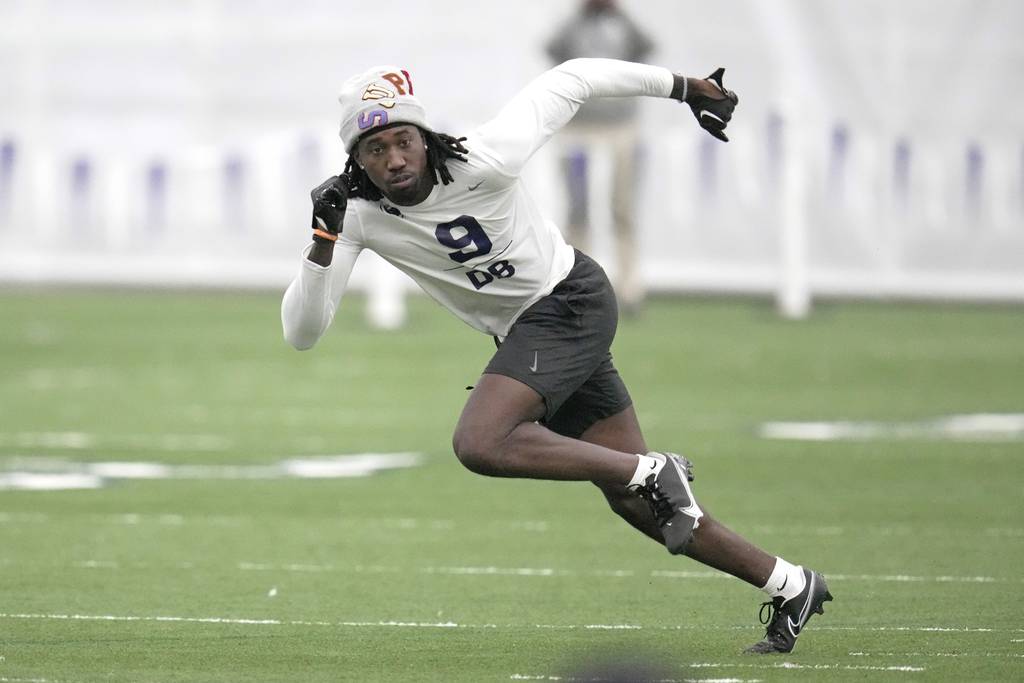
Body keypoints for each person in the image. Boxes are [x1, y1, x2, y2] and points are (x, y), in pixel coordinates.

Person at [281, 58, 832, 654]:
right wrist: (322, 242)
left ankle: (653, 469)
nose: (394, 159)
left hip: (569, 301)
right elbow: (302, 333)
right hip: (534, 332)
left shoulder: (484, 156)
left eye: (403, 140)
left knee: (481, 442)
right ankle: (791, 583)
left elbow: (572, 78)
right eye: (376, 149)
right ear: (355, 160)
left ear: (424, 136)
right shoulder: (355, 215)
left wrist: (685, 87)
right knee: (636, 500)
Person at [546, 0, 655, 314]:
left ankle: (629, 287)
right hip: (578, 128)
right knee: (577, 210)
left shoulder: (622, 24)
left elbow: (647, 47)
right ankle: (580, 287)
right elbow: (552, 49)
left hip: (621, 128)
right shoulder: (574, 26)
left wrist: (620, 12)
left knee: (623, 209)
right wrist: (580, 13)